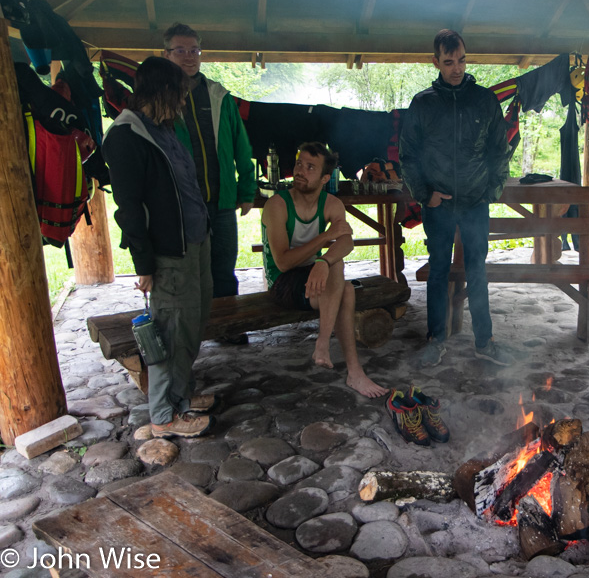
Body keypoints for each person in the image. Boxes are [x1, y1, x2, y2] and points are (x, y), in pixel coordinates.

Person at [102, 57, 217, 438]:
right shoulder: (125, 137)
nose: (183, 103)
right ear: (161, 92)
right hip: (170, 252)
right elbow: (130, 208)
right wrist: (144, 264)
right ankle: (165, 416)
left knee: (191, 325)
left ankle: (181, 396)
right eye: (179, 95)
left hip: (195, 243)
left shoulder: (164, 128)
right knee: (169, 333)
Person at [400, 29, 514, 368]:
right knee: (439, 272)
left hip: (476, 202)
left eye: (461, 60)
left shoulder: (484, 100)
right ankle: (436, 340)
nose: (457, 68)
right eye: (448, 62)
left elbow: (500, 150)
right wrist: (424, 195)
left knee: (478, 271)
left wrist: (492, 191)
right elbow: (408, 155)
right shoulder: (423, 104)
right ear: (435, 62)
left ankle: (485, 341)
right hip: (439, 205)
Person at [261, 142, 388, 398]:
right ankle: (349, 367)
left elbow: (347, 241)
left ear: (324, 178)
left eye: (310, 167)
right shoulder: (277, 205)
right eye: (299, 164)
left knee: (339, 273)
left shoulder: (331, 203)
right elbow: (284, 262)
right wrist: (325, 238)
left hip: (313, 272)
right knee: (345, 291)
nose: (300, 171)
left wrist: (323, 262)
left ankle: (334, 354)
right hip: (282, 281)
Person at [164, 22, 256, 344]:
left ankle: (227, 327)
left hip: (222, 202)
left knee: (224, 269)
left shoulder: (218, 96)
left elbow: (241, 146)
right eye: (181, 51)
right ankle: (191, 333)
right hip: (182, 206)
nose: (189, 57)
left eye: (194, 51)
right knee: (187, 274)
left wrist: (247, 189)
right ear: (166, 55)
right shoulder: (159, 99)